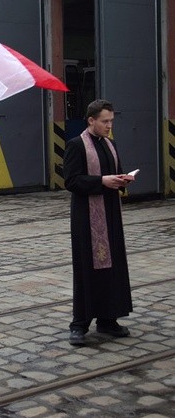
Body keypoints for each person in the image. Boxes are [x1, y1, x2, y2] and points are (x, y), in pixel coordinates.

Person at [63, 99, 134, 346]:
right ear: (91, 120)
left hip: (110, 214)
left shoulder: (110, 145)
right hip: (86, 218)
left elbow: (115, 171)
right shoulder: (76, 145)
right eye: (105, 121)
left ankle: (107, 319)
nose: (109, 125)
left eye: (111, 121)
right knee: (86, 268)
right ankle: (79, 324)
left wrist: (123, 180)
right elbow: (71, 181)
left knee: (111, 266)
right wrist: (101, 181)